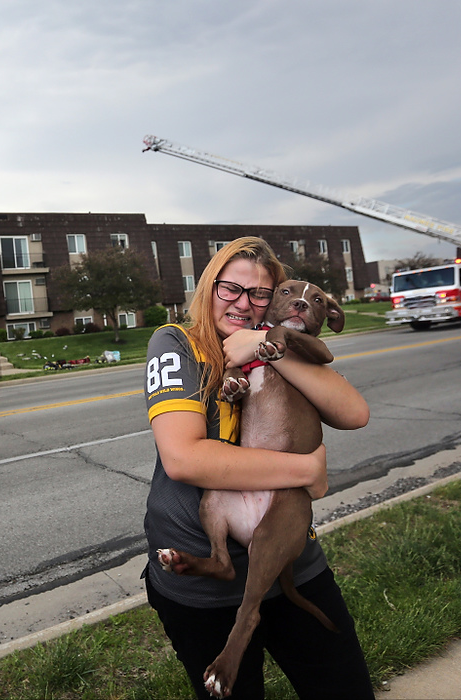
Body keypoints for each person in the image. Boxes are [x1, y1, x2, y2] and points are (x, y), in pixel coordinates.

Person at [142, 237, 373, 699]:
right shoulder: (177, 342)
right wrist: (307, 472)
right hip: (205, 590)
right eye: (230, 288)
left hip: (294, 559)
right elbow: (185, 458)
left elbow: (354, 413)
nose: (243, 302)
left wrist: (269, 345)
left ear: (272, 300)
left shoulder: (282, 346)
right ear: (208, 288)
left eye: (259, 293)